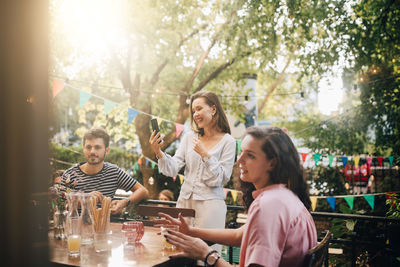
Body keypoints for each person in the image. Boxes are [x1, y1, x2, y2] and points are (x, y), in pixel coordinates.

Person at [159, 126, 317, 267]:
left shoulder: (269, 206)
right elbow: (238, 235)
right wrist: (191, 230)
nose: (239, 160)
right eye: (241, 152)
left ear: (272, 163)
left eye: (250, 155)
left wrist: (207, 254)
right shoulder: (284, 197)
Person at [149, 91, 236, 253]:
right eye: (193, 111)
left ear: (213, 109)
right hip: (184, 204)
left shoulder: (228, 141)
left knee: (206, 255)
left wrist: (205, 155)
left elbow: (221, 179)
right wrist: (159, 152)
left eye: (199, 109)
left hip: (210, 207)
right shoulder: (189, 137)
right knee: (179, 252)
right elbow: (173, 168)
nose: (195, 114)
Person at [61, 128, 149, 215]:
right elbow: (61, 206)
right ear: (83, 149)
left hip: (104, 227)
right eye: (88, 147)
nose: (92, 151)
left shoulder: (113, 172)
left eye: (97, 147)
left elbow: (143, 191)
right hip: (76, 227)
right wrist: (86, 199)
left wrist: (124, 202)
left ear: (106, 150)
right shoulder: (69, 175)